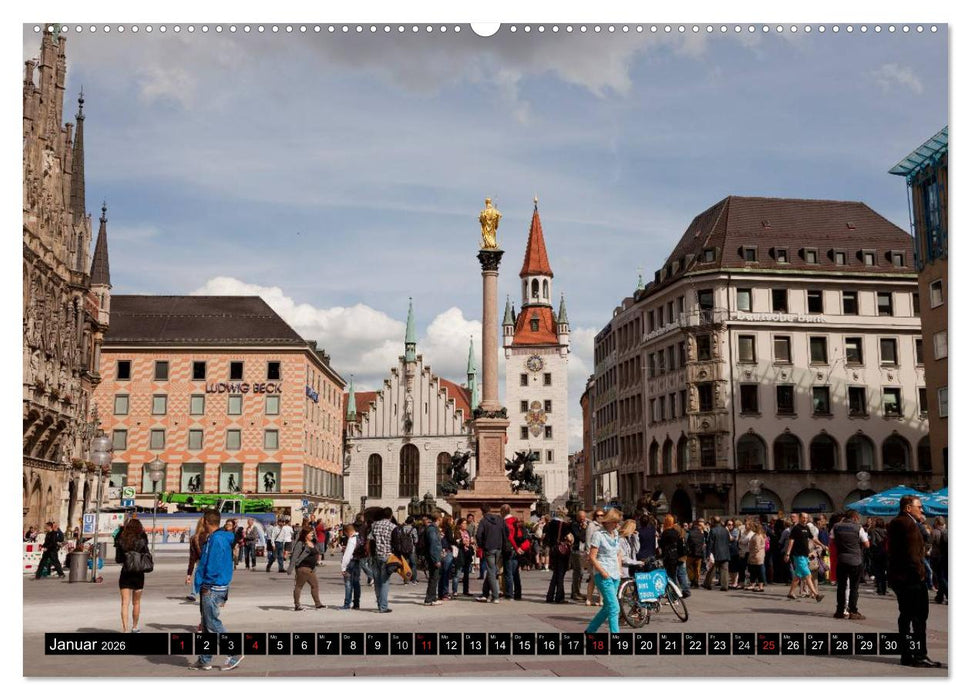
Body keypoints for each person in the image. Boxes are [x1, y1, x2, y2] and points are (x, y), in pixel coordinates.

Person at [888, 496, 941, 667]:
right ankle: (919, 655)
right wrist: (920, 574)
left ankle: (907, 655)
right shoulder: (907, 524)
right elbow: (912, 554)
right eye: (919, 507)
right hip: (910, 578)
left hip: (902, 576)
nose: (922, 510)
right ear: (908, 508)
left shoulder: (902, 522)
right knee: (918, 617)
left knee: (906, 616)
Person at [188, 510, 243, 671]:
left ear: (206, 521)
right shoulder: (218, 537)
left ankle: (234, 652)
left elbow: (213, 564)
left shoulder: (217, 539)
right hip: (213, 585)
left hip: (212, 587)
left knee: (212, 623)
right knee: (206, 625)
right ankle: (204, 659)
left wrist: (206, 584)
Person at [585, 509, 623, 634]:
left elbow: (618, 553)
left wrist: (619, 569)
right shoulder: (598, 535)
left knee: (607, 607)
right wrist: (603, 572)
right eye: (615, 522)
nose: (617, 525)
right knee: (614, 608)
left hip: (615, 574)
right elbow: (592, 557)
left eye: (618, 522)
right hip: (603, 574)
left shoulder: (616, 534)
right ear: (608, 521)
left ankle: (590, 631)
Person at [831, 509, 869, 620]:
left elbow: (832, 541)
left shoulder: (836, 526)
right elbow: (867, 544)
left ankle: (839, 611)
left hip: (841, 559)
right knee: (854, 587)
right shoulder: (858, 527)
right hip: (855, 560)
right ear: (855, 517)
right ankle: (853, 611)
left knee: (841, 587)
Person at [115, 518, 150, 632]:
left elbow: (118, 559)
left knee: (125, 603)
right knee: (136, 602)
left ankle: (125, 630)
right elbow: (146, 554)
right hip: (138, 573)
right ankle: (135, 627)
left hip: (126, 572)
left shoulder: (122, 540)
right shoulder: (142, 539)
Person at [785, 513, 825, 603]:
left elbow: (813, 538)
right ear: (799, 518)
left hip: (805, 555)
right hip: (798, 555)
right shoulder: (796, 528)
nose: (805, 519)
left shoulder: (807, 528)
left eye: (806, 518)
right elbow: (791, 541)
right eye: (803, 518)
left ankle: (791, 593)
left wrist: (822, 545)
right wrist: (787, 553)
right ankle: (816, 595)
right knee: (808, 575)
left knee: (797, 576)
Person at [475, 504, 506, 603]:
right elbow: (506, 532)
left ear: (482, 511)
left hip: (489, 548)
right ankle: (485, 594)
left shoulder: (483, 521)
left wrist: (481, 545)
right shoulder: (500, 519)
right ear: (490, 509)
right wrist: (503, 544)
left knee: (491, 571)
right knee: (491, 570)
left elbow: (478, 535)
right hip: (499, 548)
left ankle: (495, 596)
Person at [288, 527, 324, 610]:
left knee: (314, 585)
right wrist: (290, 568)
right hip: (302, 568)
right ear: (305, 534)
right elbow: (294, 556)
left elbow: (318, 551)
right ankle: (297, 605)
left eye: (312, 533)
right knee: (299, 586)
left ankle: (318, 604)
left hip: (310, 569)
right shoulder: (300, 544)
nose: (312, 534)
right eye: (310, 533)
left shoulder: (312, 542)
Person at [368, 507, 395, 613]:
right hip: (387, 556)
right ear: (390, 516)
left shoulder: (374, 525)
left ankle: (380, 603)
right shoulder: (393, 527)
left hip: (375, 556)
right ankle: (383, 607)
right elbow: (395, 542)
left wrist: (370, 554)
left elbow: (370, 540)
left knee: (377, 581)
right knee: (384, 582)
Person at [544, 507, 573, 603]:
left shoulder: (549, 524)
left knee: (556, 573)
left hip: (553, 549)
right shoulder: (563, 525)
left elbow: (545, 537)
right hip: (561, 551)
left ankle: (550, 596)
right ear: (563, 514)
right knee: (560, 574)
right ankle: (559, 597)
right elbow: (569, 538)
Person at [704, 517, 731, 591]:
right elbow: (728, 540)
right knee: (724, 570)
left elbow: (710, 543)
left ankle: (707, 584)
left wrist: (708, 554)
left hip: (715, 553)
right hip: (725, 553)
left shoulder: (713, 530)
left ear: (713, 521)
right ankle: (725, 586)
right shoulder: (725, 530)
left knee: (712, 569)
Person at [185, 516, 207, 603]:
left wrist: (189, 574)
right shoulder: (212, 536)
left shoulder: (194, 538)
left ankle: (194, 593)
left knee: (198, 575)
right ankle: (195, 593)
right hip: (210, 560)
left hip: (200, 561)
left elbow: (192, 557)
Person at [340, 523, 362, 610]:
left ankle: (347, 603)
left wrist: (343, 567)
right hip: (358, 562)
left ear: (347, 532)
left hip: (351, 563)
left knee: (348, 583)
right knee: (356, 583)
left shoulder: (352, 539)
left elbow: (348, 555)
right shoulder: (359, 537)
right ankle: (356, 603)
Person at [424, 512, 444, 606]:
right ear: (439, 518)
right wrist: (436, 560)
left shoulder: (432, 528)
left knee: (434, 578)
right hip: (433, 557)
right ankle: (430, 599)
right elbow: (433, 545)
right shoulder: (432, 529)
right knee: (433, 578)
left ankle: (432, 598)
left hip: (432, 556)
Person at [585, 510, 604, 605]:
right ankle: (591, 599)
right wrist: (589, 554)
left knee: (595, 578)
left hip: (601, 554)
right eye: (598, 515)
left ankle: (595, 599)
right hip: (593, 554)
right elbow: (588, 540)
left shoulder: (603, 526)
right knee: (595, 577)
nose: (600, 517)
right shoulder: (592, 526)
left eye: (602, 515)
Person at [569, 509, 589, 600]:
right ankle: (575, 593)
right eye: (581, 518)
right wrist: (584, 529)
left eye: (584, 518)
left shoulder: (584, 524)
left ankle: (577, 591)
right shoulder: (574, 525)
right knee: (578, 572)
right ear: (577, 517)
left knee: (580, 573)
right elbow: (580, 537)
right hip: (576, 551)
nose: (582, 519)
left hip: (582, 551)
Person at [929, 517, 947, 605]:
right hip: (945, 556)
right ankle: (939, 596)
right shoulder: (946, 531)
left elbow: (929, 542)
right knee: (943, 577)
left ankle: (946, 595)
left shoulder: (934, 532)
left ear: (936, 522)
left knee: (940, 577)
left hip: (936, 556)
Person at [745, 521, 767, 592]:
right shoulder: (758, 535)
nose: (751, 528)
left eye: (752, 527)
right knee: (754, 571)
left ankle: (760, 586)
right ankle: (753, 584)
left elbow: (757, 547)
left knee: (758, 571)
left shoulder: (757, 536)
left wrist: (752, 554)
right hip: (758, 556)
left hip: (756, 556)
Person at [685, 519, 706, 588]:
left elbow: (687, 543)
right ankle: (696, 581)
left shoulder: (690, 533)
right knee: (697, 568)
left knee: (689, 566)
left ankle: (692, 580)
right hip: (699, 553)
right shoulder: (701, 534)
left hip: (691, 553)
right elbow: (702, 543)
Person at [438, 513, 455, 601]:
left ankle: (440, 593)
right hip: (447, 551)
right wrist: (458, 542)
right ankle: (445, 594)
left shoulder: (439, 528)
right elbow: (451, 540)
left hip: (440, 552)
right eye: (452, 519)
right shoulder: (448, 528)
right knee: (446, 573)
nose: (453, 521)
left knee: (441, 574)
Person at [456, 517, 474, 596]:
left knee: (466, 573)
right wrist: (463, 543)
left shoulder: (467, 532)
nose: (465, 525)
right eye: (463, 523)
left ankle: (466, 590)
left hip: (467, 553)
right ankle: (455, 591)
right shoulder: (457, 532)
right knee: (458, 572)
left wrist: (471, 542)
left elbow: (470, 541)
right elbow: (456, 543)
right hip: (460, 553)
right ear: (460, 524)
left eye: (466, 523)